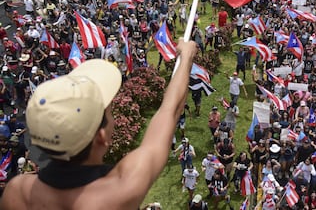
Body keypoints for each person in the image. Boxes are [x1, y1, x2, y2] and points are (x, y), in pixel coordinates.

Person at [0, 40, 198, 210]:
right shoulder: (118, 191)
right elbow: (170, 111)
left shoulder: (17, 192)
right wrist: (186, 56)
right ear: (101, 136)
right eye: (108, 111)